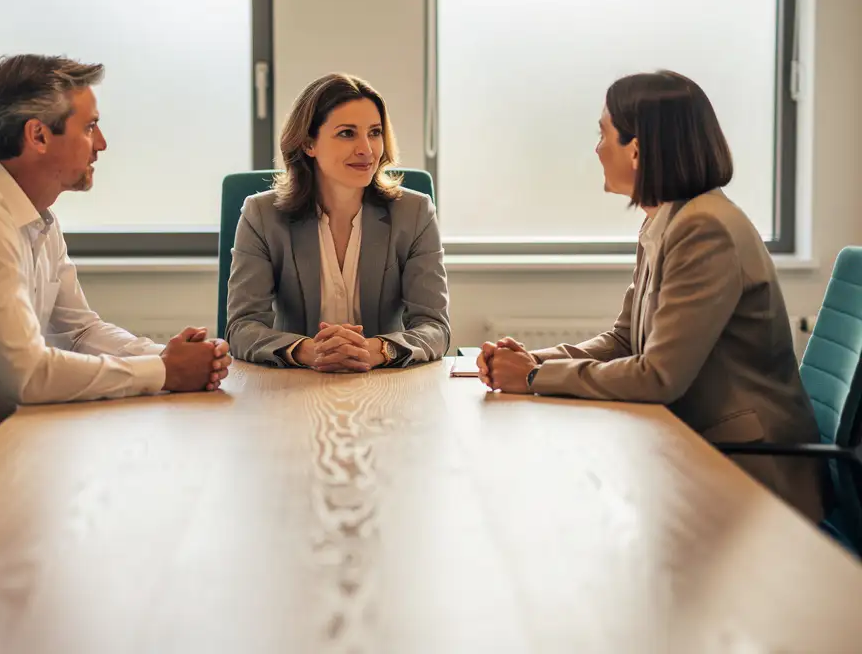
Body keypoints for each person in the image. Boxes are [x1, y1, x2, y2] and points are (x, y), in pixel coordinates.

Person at [0, 54, 231, 522]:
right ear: (38, 136)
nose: (103, 144)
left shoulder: (35, 217)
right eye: (90, 127)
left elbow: (77, 331)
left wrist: (165, 357)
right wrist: (165, 374)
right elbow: (28, 374)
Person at [478, 70, 825, 522]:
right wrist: (533, 360)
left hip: (750, 470)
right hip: (698, 444)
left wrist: (530, 379)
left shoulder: (706, 229)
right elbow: (625, 339)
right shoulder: (666, 220)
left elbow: (658, 376)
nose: (597, 149)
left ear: (636, 151)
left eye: (603, 134)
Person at [226, 73, 450, 371]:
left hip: (387, 386)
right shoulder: (262, 215)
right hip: (293, 387)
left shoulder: (415, 212)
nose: (366, 150)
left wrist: (378, 350)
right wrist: (307, 351)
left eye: (374, 132)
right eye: (347, 133)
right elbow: (242, 327)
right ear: (308, 143)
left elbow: (434, 327)